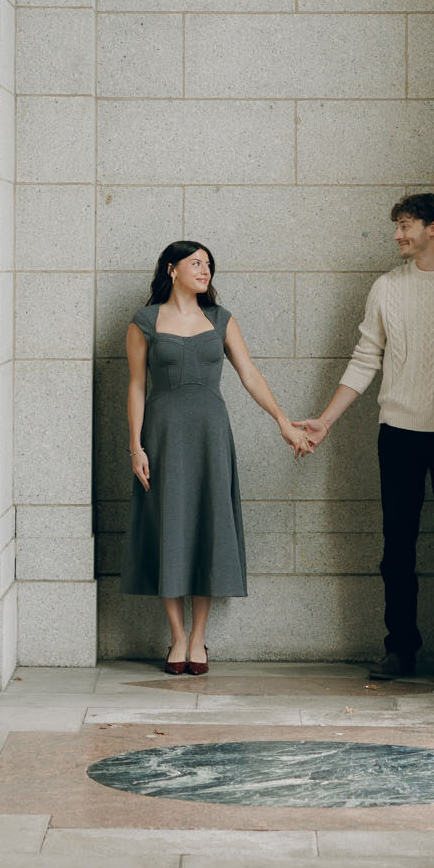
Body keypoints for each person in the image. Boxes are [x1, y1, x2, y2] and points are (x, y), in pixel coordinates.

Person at [298, 192, 434, 685]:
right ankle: (400, 649)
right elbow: (365, 358)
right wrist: (325, 421)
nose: (397, 235)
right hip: (399, 434)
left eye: (406, 225)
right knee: (398, 547)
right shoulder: (387, 288)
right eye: (397, 226)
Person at [121, 239, 311, 675]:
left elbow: (249, 373)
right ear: (172, 269)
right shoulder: (145, 321)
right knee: (168, 527)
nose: (204, 270)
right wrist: (136, 446)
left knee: (208, 526)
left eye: (208, 264)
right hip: (163, 436)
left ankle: (200, 639)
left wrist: (283, 421)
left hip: (211, 436)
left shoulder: (221, 319)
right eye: (195, 263)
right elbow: (135, 386)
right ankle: (177, 637)